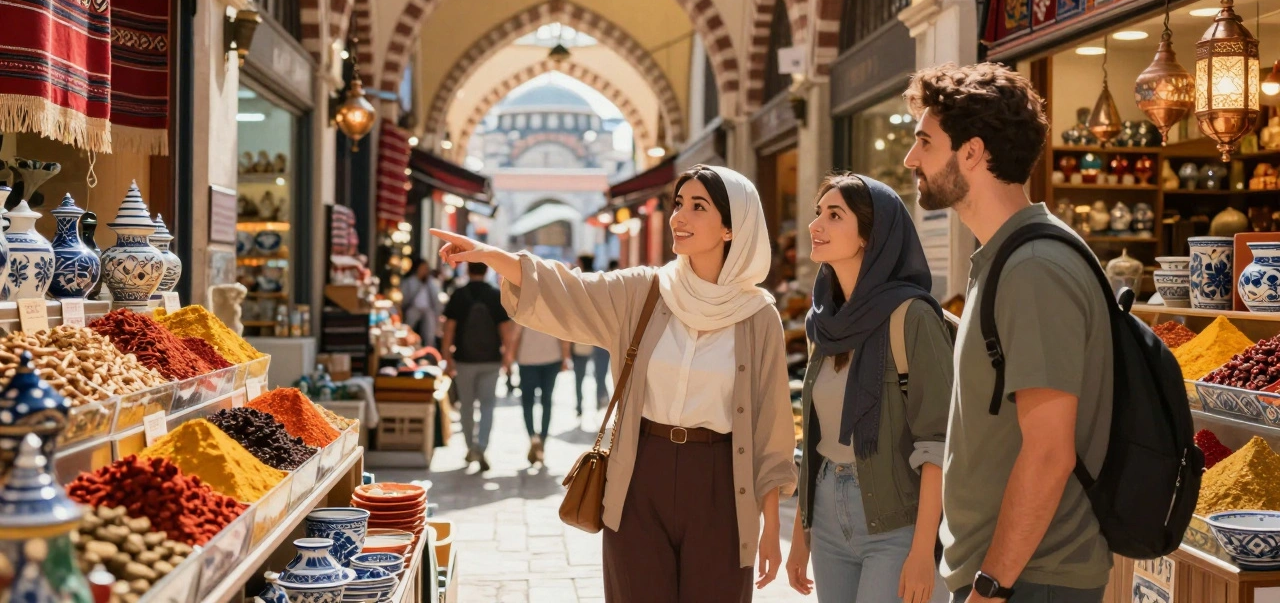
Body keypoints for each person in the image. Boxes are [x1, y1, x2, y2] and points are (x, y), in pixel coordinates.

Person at [430, 164, 796, 603]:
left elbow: (772, 426)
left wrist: (770, 527)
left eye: (698, 207)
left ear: (731, 228)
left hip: (721, 482)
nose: (679, 217)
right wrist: (492, 256)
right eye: (679, 203)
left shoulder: (758, 317)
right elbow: (569, 289)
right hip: (640, 472)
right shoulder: (645, 291)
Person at [902, 63, 1113, 602]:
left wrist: (991, 586)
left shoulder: (1033, 267)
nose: (911, 159)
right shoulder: (1008, 258)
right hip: (1012, 576)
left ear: (972, 152)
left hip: (1028, 581)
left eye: (925, 142)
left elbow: (1049, 454)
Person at [786, 174, 953, 603]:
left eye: (834, 215)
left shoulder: (912, 316)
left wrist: (923, 552)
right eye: (818, 213)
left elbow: (938, 442)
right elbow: (817, 437)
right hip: (827, 514)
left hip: (895, 522)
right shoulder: (824, 322)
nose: (815, 224)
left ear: (869, 235)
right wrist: (803, 534)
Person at [441, 261, 514, 473]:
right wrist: (508, 357)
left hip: (464, 360)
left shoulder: (459, 294)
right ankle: (481, 446)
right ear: (486, 270)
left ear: (467, 270)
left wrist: (447, 357)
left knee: (466, 405)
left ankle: (470, 447)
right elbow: (505, 330)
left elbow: (449, 329)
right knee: (487, 405)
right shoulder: (495, 294)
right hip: (491, 359)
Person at [512, 323, 570, 464]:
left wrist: (512, 356)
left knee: (528, 402)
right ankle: (542, 439)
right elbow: (563, 334)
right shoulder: (554, 310)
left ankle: (533, 437)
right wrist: (565, 357)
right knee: (546, 401)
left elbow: (515, 334)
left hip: (528, 359)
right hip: (550, 357)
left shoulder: (524, 310)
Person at [571, 254, 611, 416]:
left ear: (580, 263)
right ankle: (600, 402)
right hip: (601, 335)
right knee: (600, 375)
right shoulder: (602, 281)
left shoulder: (576, 283)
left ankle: (579, 405)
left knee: (579, 375)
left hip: (581, 336)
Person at [401, 262, 442, 348]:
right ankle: (405, 341)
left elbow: (436, 299)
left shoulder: (431, 282)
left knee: (430, 327)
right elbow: (405, 297)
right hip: (414, 307)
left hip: (427, 309)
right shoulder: (410, 281)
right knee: (409, 322)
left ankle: (429, 348)